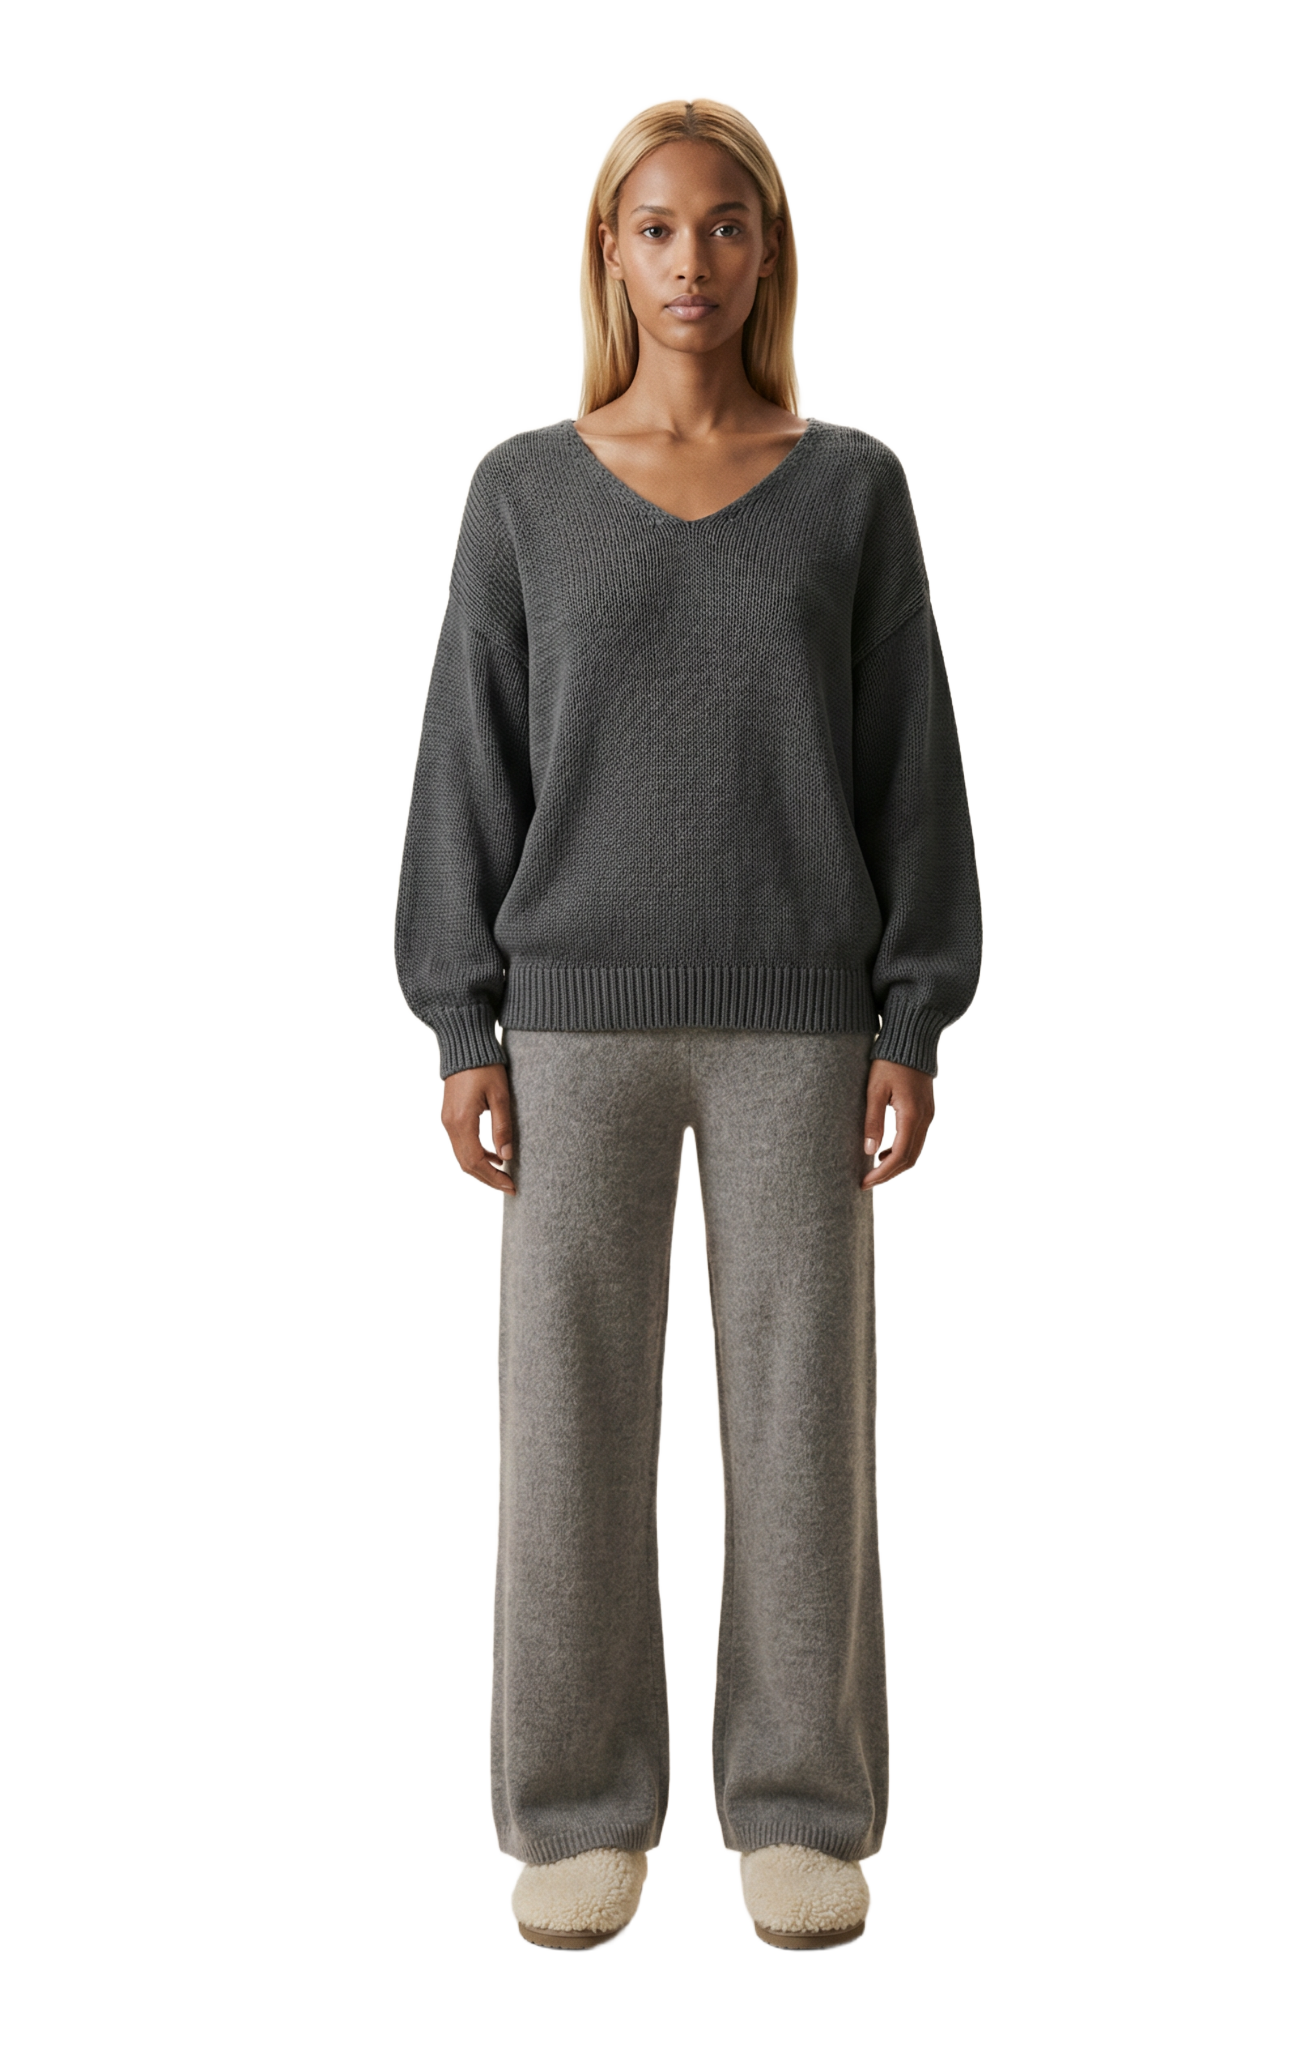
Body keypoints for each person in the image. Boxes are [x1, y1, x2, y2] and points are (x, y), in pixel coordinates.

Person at [394, 97, 982, 1953]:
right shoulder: (521, 491)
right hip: (572, 1024)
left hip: (802, 1021)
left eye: (728, 225)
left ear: (768, 249)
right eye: (657, 227)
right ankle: (579, 1814)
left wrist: (914, 1011)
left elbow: (910, 766)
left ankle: (802, 1808)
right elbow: (467, 764)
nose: (693, 260)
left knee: (805, 1421)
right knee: (566, 1423)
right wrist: (462, 1021)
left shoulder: (852, 487)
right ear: (610, 252)